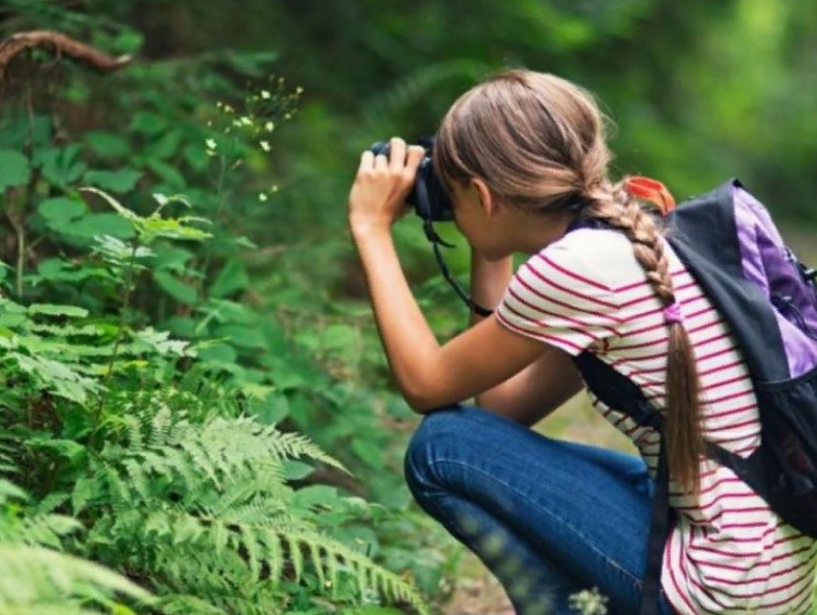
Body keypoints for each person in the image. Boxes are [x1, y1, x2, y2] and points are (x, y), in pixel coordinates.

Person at [347, 69, 817, 615]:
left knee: (441, 446)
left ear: (482, 194)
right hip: (768, 575)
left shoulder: (577, 269)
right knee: (510, 452)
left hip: (718, 591)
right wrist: (490, 244)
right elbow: (503, 409)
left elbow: (426, 384)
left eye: (455, 196)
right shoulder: (631, 239)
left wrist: (371, 228)